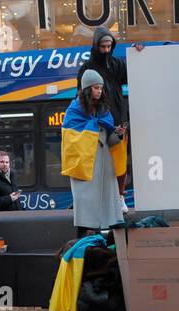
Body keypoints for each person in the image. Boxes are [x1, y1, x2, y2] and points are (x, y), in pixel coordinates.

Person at [75, 27, 142, 192]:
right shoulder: (87, 68)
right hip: (100, 123)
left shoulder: (117, 64)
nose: (106, 50)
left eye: (109, 46)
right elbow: (81, 96)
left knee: (120, 162)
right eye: (103, 46)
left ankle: (120, 196)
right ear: (96, 45)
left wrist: (138, 55)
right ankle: (108, 197)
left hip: (118, 120)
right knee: (101, 163)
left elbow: (136, 75)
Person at [63, 71, 128, 240]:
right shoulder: (74, 110)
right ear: (87, 89)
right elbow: (71, 139)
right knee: (85, 203)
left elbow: (110, 137)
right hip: (85, 163)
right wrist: (94, 126)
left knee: (108, 199)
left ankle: (111, 234)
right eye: (96, 88)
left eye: (100, 88)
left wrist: (118, 133)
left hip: (104, 161)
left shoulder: (104, 110)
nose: (99, 91)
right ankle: (85, 235)